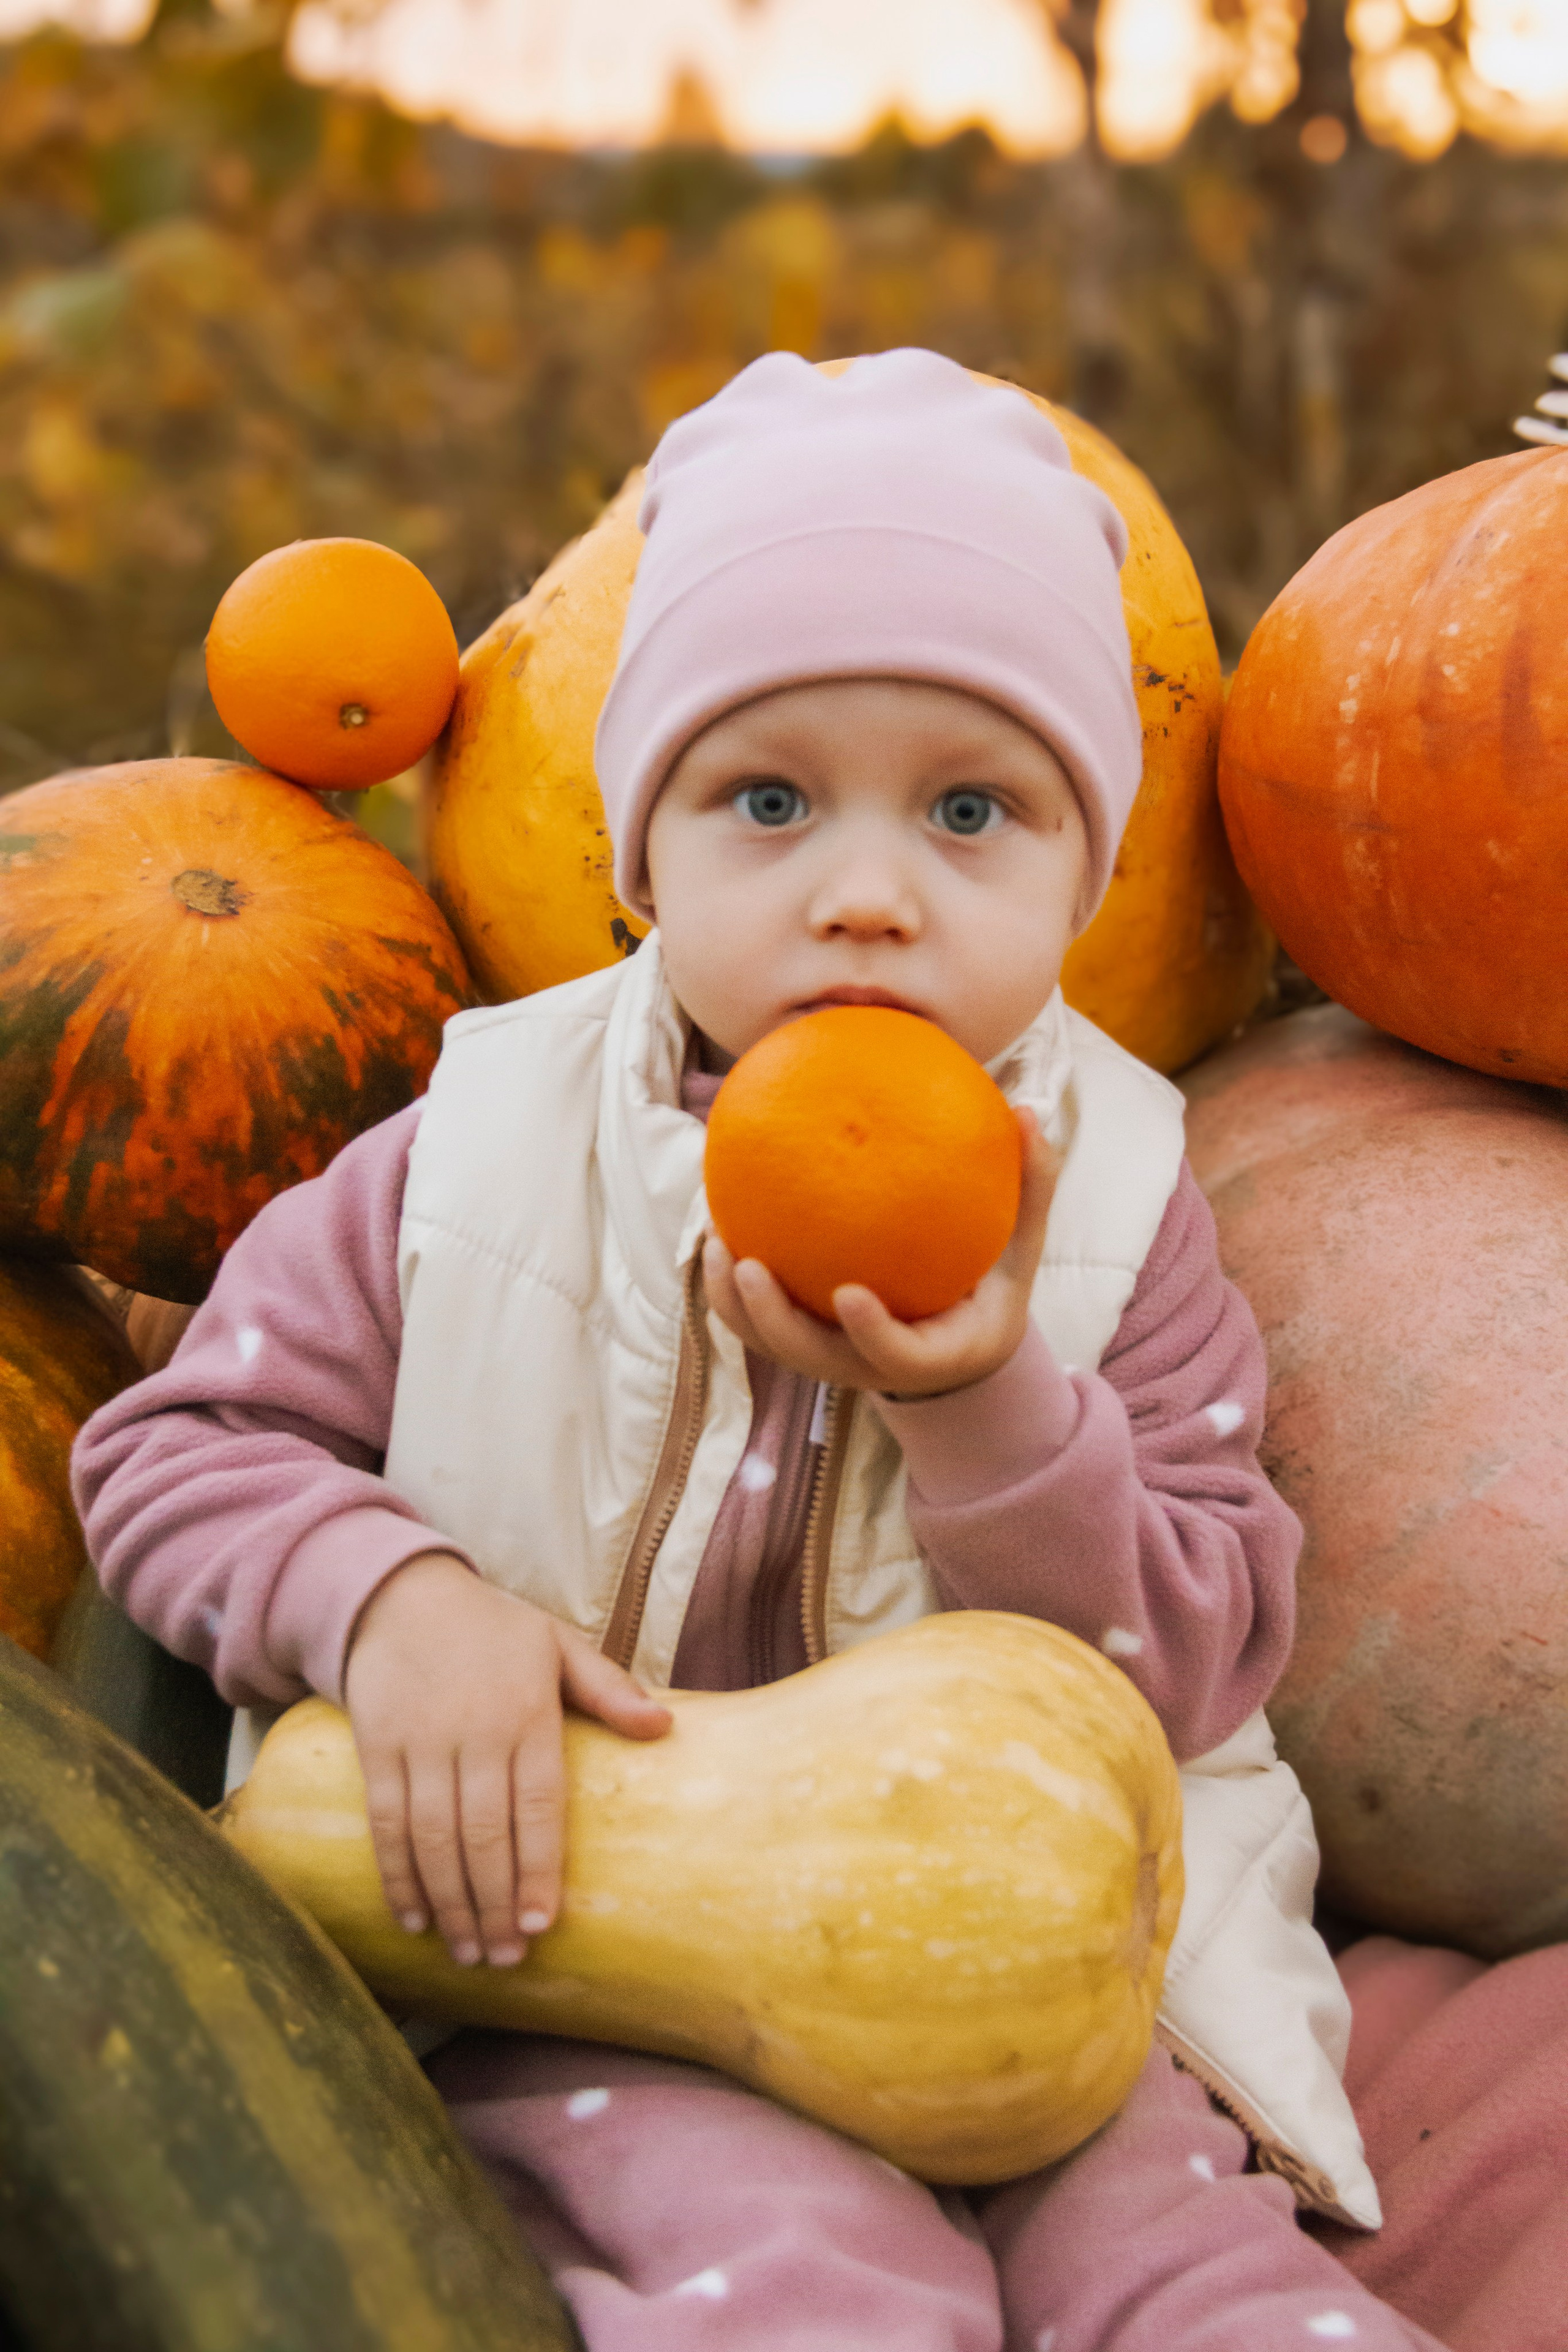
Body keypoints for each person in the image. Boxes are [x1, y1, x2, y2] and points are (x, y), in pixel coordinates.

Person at [75, 350, 1447, 2351]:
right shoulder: (470, 1157)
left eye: (972, 811)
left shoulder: (1127, 1207)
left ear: (1089, 877)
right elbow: (172, 1454)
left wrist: (991, 1412)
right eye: (770, 800)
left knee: (1194, 2278)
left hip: (1037, 1964)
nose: (868, 895)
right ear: (639, 856)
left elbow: (1201, 1655)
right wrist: (388, 1598)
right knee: (804, 2282)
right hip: (601, 1966)